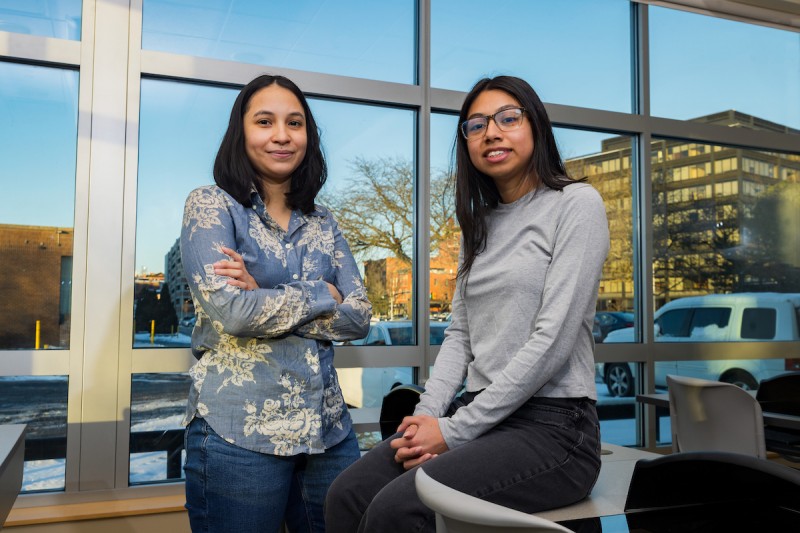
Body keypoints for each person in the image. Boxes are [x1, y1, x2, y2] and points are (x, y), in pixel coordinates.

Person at [324, 75, 610, 533]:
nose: (491, 132)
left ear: (535, 125)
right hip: (478, 412)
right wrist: (423, 420)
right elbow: (460, 336)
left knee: (398, 509)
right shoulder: (477, 225)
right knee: (348, 493)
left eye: (507, 118)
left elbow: (553, 341)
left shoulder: (575, 204)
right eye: (475, 126)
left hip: (555, 428)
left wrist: (454, 431)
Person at [180, 74, 372, 533]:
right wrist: (323, 294)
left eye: (295, 123)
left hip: (328, 430)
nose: (282, 135)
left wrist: (264, 295)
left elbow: (360, 317)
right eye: (264, 121)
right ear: (240, 132)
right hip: (238, 432)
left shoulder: (324, 222)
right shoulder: (211, 206)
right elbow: (234, 313)